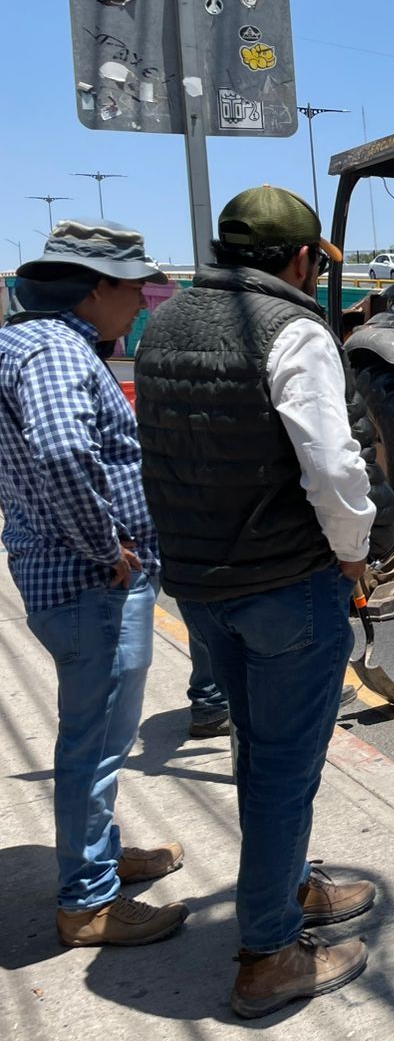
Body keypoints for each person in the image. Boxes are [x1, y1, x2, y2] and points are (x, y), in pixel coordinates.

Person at [134, 185, 377, 1018]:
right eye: (315, 261)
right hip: (286, 586)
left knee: (257, 754)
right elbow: (335, 468)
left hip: (203, 583)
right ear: (302, 258)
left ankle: (291, 884)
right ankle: (268, 951)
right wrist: (355, 558)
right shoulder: (293, 329)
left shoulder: (164, 324)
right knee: (285, 767)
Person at [0, 219, 188, 947]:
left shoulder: (33, 342)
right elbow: (61, 449)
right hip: (89, 580)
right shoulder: (52, 351)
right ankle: (88, 900)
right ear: (93, 289)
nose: (142, 302)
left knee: (100, 734)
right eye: (134, 287)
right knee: (97, 742)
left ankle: (99, 858)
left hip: (70, 577)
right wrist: (105, 543)